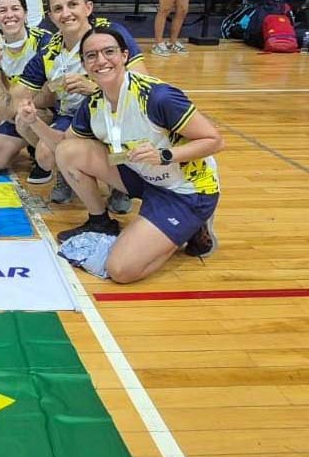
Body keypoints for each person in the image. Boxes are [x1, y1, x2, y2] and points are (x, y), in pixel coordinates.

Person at [52, 26, 224, 283]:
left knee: (121, 270)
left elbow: (215, 140)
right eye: (91, 55)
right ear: (84, 65)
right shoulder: (94, 104)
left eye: (108, 52)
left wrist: (165, 155)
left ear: (124, 56)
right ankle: (100, 221)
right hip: (143, 176)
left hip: (186, 191)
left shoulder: (157, 96)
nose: (101, 60)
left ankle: (190, 227)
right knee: (69, 152)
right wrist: (30, 122)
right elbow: (59, 148)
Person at [16, 0, 143, 207]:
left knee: (121, 137)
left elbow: (142, 83)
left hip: (115, 113)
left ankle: (120, 182)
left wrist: (95, 89)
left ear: (88, 7)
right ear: (51, 16)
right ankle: (67, 171)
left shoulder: (110, 34)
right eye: (58, 8)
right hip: (72, 116)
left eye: (72, 5)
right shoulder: (49, 48)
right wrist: (50, 88)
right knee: (34, 140)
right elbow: (29, 98)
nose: (66, 13)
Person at [0, 0, 53, 177]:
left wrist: (15, 106)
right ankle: (33, 145)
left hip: (45, 109)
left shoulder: (45, 41)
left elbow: (52, 92)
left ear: (25, 13)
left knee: (22, 117)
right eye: (2, 11)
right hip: (12, 110)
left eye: (15, 9)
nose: (9, 15)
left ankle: (45, 156)